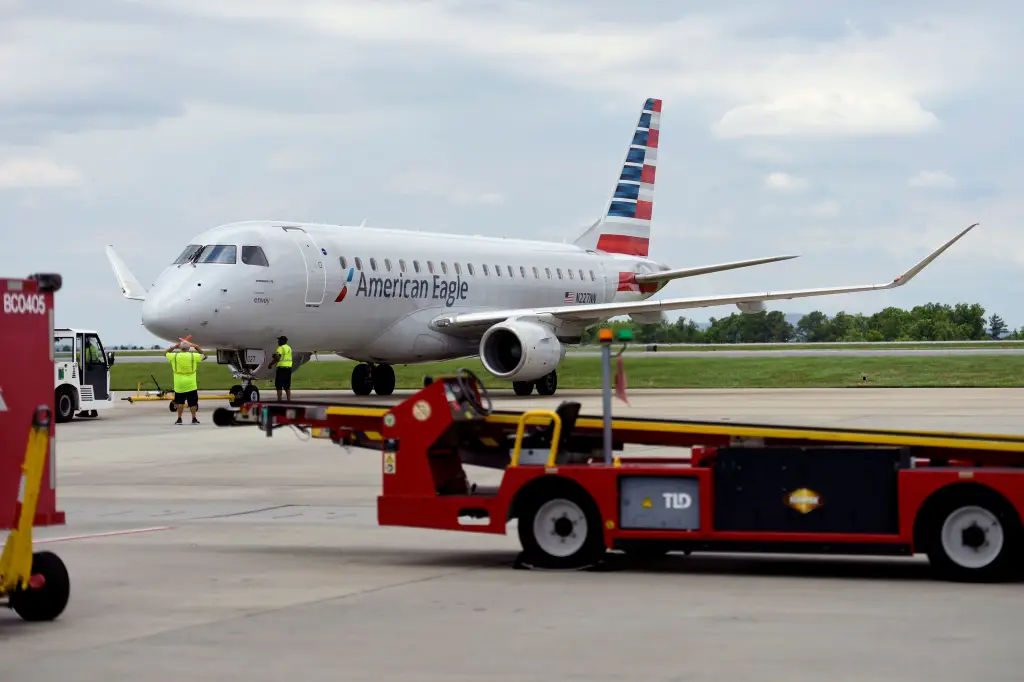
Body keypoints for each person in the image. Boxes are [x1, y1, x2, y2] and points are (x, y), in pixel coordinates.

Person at [165, 340, 207, 424]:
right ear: (189, 348)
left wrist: (174, 347)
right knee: (193, 403)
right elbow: (204, 356)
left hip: (179, 384)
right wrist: (195, 346)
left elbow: (166, 353)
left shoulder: (175, 356)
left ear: (180, 348)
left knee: (180, 403)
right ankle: (194, 418)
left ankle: (179, 419)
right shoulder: (193, 356)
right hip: (191, 384)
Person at [268, 335, 293, 401]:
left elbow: (278, 358)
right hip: (288, 369)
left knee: (279, 386)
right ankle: (289, 400)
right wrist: (275, 356)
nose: (278, 342)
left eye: (279, 340)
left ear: (282, 341)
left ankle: (279, 400)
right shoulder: (289, 348)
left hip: (281, 369)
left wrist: (270, 364)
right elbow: (284, 356)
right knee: (287, 386)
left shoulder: (280, 348)